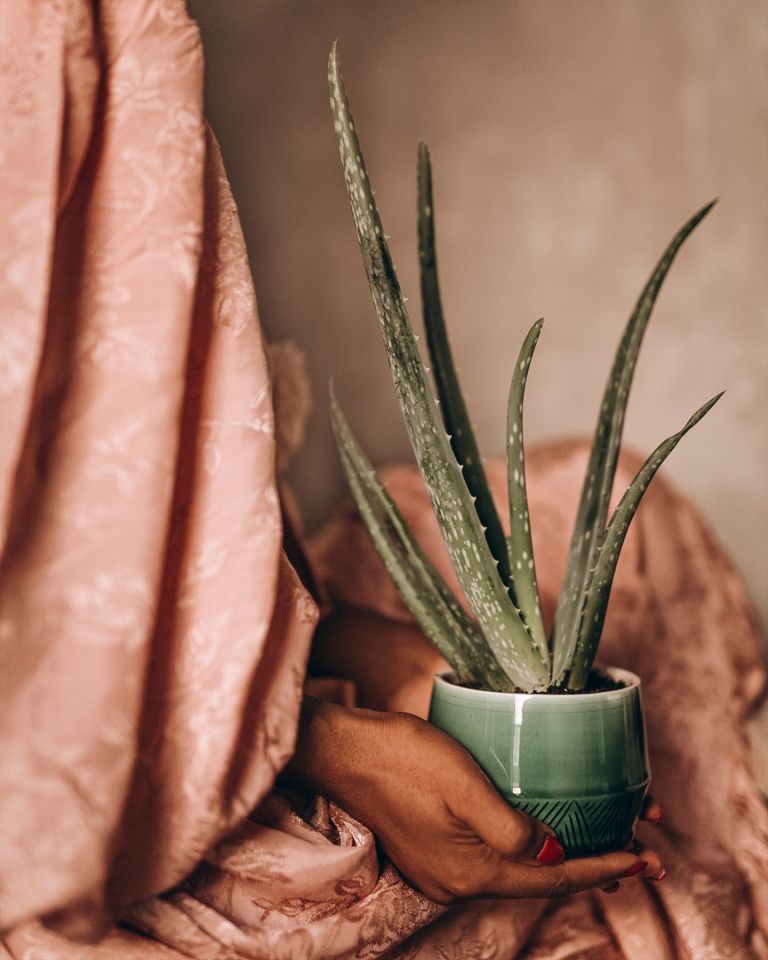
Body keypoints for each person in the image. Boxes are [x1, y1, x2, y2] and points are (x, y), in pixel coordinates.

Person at [1, 3, 765, 958]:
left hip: (255, 673)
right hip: (140, 776)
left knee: (610, 500)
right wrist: (330, 745)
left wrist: (386, 662)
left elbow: (173, 557)